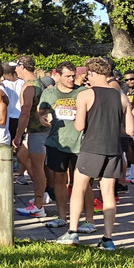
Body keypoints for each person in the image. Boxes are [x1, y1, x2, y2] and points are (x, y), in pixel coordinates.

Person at [58, 57, 134, 250]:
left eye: (87, 75)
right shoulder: (121, 97)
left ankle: (72, 232)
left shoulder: (86, 94)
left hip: (91, 147)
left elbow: (79, 125)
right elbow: (130, 130)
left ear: (91, 73)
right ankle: (108, 239)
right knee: (108, 193)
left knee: (79, 188)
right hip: (113, 149)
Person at [40, 61, 86, 232]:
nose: (72, 79)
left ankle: (86, 219)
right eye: (68, 76)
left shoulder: (82, 92)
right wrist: (42, 119)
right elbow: (41, 113)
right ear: (58, 76)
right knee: (59, 180)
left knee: (82, 183)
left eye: (73, 76)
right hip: (57, 143)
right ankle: (62, 217)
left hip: (79, 143)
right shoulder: (49, 93)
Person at [12, 56, 49, 218]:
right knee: (23, 157)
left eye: (16, 67)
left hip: (37, 131)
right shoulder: (40, 83)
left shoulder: (29, 86)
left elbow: (25, 112)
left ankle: (39, 204)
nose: (14, 70)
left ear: (22, 67)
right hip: (40, 131)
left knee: (37, 168)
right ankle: (41, 194)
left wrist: (18, 135)